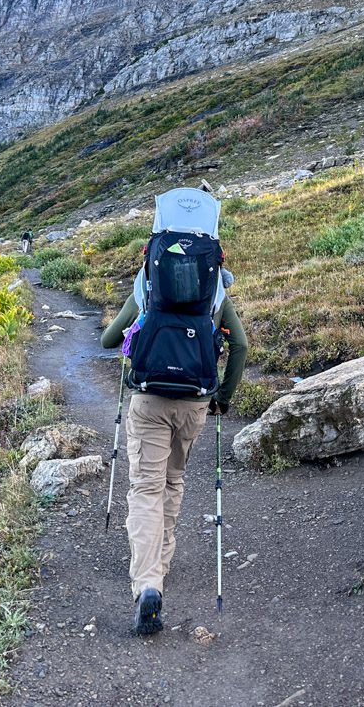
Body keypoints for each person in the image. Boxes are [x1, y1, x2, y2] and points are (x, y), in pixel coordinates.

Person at [100, 266, 246, 635]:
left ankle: (149, 582)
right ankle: (161, 559)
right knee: (172, 480)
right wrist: (222, 400)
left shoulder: (149, 288)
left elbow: (108, 340)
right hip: (194, 404)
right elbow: (240, 346)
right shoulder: (214, 294)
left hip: (149, 399)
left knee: (146, 488)